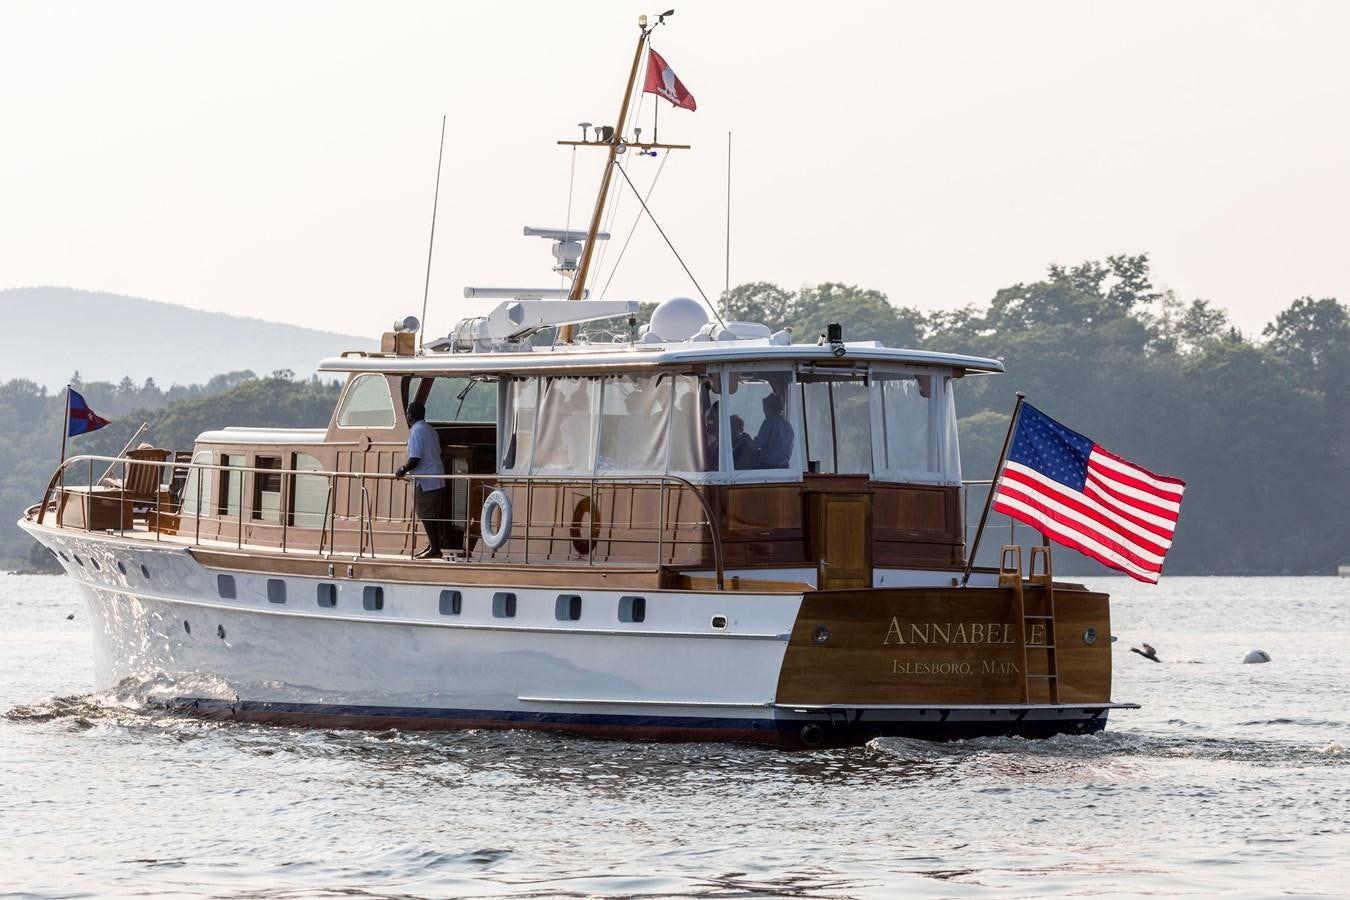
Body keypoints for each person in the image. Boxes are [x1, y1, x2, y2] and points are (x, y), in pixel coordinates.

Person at [396, 401, 445, 558]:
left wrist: (402, 470)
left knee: (425, 514)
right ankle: (433, 546)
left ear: (410, 416)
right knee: (432, 514)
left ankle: (435, 548)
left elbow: (415, 458)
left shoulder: (417, 431)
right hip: (437, 477)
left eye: (407, 413)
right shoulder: (430, 429)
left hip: (426, 481)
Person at [753, 392, 793, 468]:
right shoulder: (788, 425)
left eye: (764, 409)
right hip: (784, 466)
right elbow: (789, 450)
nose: (764, 412)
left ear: (769, 408)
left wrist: (748, 441)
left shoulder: (769, 422)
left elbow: (758, 443)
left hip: (767, 465)